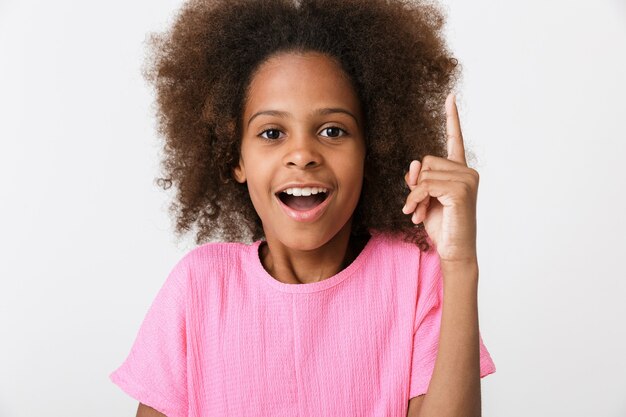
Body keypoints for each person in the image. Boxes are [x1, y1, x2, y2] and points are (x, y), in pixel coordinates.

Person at [109, 0, 496, 416]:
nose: (302, 154)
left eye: (333, 130)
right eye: (272, 132)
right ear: (235, 158)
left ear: (372, 150)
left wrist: (459, 262)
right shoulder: (199, 288)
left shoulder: (417, 275)